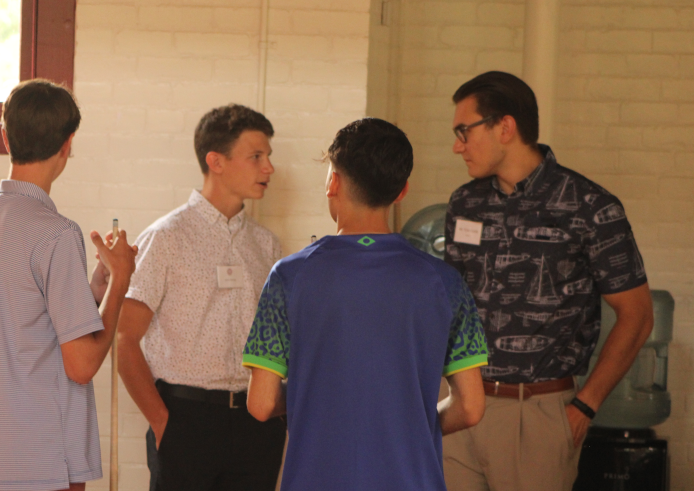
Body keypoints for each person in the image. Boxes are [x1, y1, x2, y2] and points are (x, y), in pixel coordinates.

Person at [243, 118, 488, 491]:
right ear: (402, 190)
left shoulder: (289, 277)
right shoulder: (445, 283)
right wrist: (410, 424)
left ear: (333, 182)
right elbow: (470, 408)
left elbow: (261, 404)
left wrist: (316, 392)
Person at [442, 71, 654, 490]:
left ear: (505, 127)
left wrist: (583, 407)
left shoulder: (590, 206)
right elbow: (451, 304)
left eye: (464, 131)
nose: (457, 146)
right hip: (460, 405)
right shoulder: (465, 203)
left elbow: (638, 316)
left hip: (537, 415)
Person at [0, 79, 137, 491]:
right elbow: (82, 366)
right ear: (67, 144)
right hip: (41, 459)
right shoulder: (55, 232)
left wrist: (96, 286)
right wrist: (121, 285)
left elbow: (27, 318)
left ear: (5, 137)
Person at [117, 104, 286, 491]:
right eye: (256, 156)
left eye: (269, 157)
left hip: (256, 424)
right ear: (216, 161)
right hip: (185, 420)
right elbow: (126, 339)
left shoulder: (268, 246)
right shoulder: (165, 237)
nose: (268, 168)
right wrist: (162, 422)